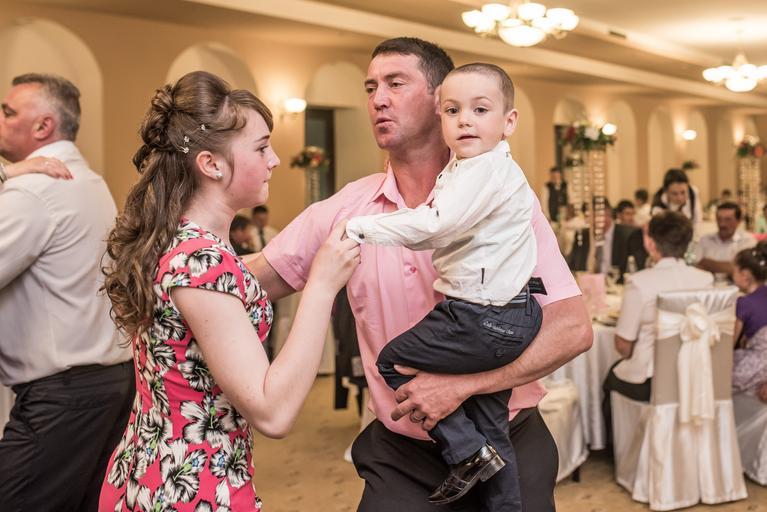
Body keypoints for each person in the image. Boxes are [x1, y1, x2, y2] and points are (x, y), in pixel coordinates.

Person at [251, 37, 592, 511]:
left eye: (395, 83)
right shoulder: (346, 208)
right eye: (371, 87)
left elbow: (572, 329)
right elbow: (247, 280)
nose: (378, 99)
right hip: (402, 456)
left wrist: (462, 387)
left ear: (438, 101)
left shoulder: (507, 200)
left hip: (508, 438)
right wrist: (186, 244)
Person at [98, 71, 360, 511]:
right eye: (261, 148)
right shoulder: (201, 259)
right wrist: (321, 286)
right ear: (212, 164)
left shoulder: (179, 241)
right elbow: (273, 412)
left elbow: (236, 286)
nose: (275, 160)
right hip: (192, 485)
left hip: (150, 467)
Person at [346, 63, 542, 511]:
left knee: (392, 360)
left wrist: (358, 228)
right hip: (510, 313)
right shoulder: (471, 168)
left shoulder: (483, 170)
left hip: (481, 316)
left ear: (509, 121)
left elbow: (436, 225)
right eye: (453, 111)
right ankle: (500, 495)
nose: (465, 120)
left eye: (480, 110)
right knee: (492, 424)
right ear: (441, 118)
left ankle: (466, 451)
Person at [0, 73, 133, 512]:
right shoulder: (89, 180)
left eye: (7, 112)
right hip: (107, 384)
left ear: (43, 126)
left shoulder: (32, 190)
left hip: (64, 395)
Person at [602, 211, 713, 443]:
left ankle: (621, 452)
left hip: (650, 382)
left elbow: (623, 347)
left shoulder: (640, 282)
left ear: (651, 243)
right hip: (695, 374)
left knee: (609, 379)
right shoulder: (706, 280)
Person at [731, 243, 767, 395]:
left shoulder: (744, 303)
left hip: (757, 368)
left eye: (734, 271)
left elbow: (731, 341)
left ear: (745, 275)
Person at [694, 202, 756, 277]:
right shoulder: (705, 240)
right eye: (719, 219)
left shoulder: (747, 240)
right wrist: (729, 266)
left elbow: (745, 269)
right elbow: (695, 265)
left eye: (728, 219)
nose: (722, 224)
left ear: (738, 221)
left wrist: (706, 262)